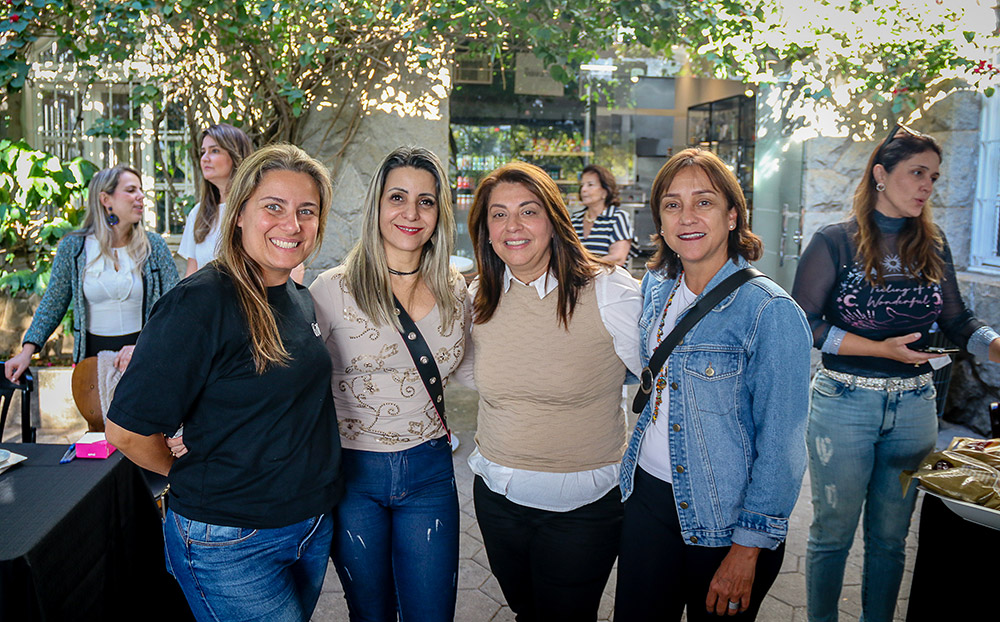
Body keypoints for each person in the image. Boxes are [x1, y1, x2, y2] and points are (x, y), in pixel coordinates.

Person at [105, 144, 343, 622]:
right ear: (238, 214)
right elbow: (126, 432)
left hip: (308, 525)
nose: (291, 224)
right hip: (230, 542)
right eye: (273, 207)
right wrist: (200, 480)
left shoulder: (295, 294)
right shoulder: (200, 303)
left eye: (307, 211)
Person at [792, 123, 1000, 622]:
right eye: (917, 173)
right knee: (831, 535)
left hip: (914, 408)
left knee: (890, 538)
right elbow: (803, 324)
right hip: (844, 404)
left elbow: (958, 321)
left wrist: (996, 345)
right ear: (881, 175)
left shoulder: (935, 243)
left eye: (934, 176)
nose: (928, 186)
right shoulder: (835, 242)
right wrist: (880, 349)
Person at [615, 148, 811, 621]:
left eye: (703, 202)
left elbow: (783, 446)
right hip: (646, 498)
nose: (687, 217)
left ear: (731, 216)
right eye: (672, 204)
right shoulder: (656, 286)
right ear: (659, 222)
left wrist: (748, 549)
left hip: (724, 521)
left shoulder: (770, 311)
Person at [466, 160, 641, 621]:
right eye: (498, 214)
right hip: (497, 495)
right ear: (485, 229)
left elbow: (655, 375)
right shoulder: (477, 298)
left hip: (583, 502)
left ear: (554, 220)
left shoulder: (608, 290)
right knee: (526, 612)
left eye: (528, 211)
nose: (513, 226)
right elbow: (469, 374)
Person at [309, 146, 469, 621]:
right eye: (397, 197)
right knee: (371, 613)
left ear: (440, 213)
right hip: (353, 475)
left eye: (426, 200)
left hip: (431, 472)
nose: (411, 213)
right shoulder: (329, 290)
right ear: (376, 205)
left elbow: (475, 370)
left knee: (431, 613)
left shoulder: (455, 289)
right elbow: (291, 379)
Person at [4, 165, 178, 381]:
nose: (141, 196)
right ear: (106, 200)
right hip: (92, 364)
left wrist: (145, 346)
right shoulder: (74, 248)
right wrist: (26, 352)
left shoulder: (154, 247)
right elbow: (53, 303)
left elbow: (174, 306)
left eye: (140, 190)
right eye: (131, 190)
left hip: (143, 358)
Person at [179, 123, 253, 277]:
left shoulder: (255, 208)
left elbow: (293, 268)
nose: (205, 158)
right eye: (203, 152)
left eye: (214, 151)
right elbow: (192, 274)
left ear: (235, 155)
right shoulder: (198, 213)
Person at [570, 164, 635, 266]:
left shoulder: (617, 217)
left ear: (605, 191)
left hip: (609, 280)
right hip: (577, 281)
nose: (584, 189)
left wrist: (586, 267)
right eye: (582, 185)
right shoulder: (575, 220)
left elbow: (618, 258)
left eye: (590, 185)